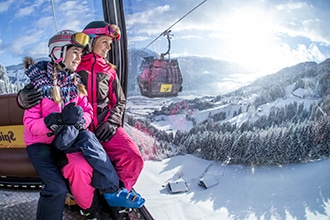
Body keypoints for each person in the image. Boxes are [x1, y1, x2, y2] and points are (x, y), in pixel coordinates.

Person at [23, 30, 144, 220]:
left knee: (90, 142)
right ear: (58, 53)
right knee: (58, 186)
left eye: (81, 54)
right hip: (42, 143)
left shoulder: (75, 82)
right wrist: (57, 120)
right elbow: (31, 125)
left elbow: (87, 110)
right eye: (75, 53)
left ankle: (113, 193)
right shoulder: (39, 84)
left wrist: (80, 122)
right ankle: (92, 206)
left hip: (66, 138)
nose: (78, 58)